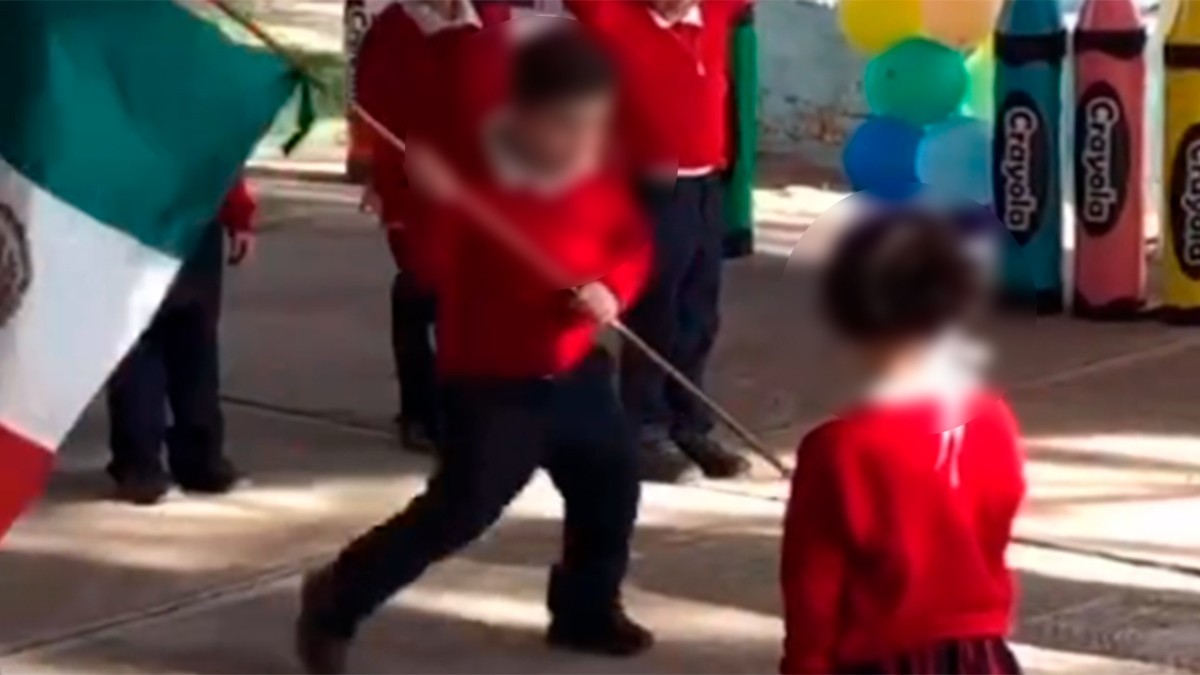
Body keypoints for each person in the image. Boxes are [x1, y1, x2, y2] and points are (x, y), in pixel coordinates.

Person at [295, 22, 655, 674]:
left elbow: (631, 241)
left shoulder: (594, 168)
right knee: (458, 511)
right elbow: (429, 269)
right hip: (494, 380)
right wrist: (434, 205)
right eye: (562, 121)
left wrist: (612, 289)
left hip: (576, 368)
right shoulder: (472, 178)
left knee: (610, 487)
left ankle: (585, 609)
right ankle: (335, 597)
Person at [779, 210, 1025, 674]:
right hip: (978, 650)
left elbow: (813, 585)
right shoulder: (993, 415)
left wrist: (804, 665)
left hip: (881, 654)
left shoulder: (837, 447)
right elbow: (997, 521)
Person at [567, 0, 752, 483]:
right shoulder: (613, 17)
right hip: (646, 187)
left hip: (706, 184)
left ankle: (689, 422)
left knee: (699, 311)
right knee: (655, 309)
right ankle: (644, 426)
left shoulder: (714, 12)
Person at [355, 0, 510, 453]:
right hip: (414, 190)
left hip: (483, 189)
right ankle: (420, 411)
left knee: (473, 301)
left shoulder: (490, 18)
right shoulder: (394, 30)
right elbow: (372, 110)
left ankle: (468, 405)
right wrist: (383, 184)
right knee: (423, 292)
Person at [105, 177, 257, 505]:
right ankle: (169, 463)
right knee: (167, 343)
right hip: (164, 218)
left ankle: (169, 463)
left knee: (171, 342)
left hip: (163, 219)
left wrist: (238, 214)